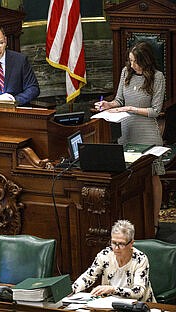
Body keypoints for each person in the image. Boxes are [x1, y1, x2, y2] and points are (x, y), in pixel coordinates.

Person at [94, 41, 165, 234]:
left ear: (145, 61)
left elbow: (156, 111)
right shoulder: (126, 73)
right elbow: (119, 100)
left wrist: (130, 109)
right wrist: (108, 105)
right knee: (128, 177)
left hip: (147, 132)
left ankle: (154, 220)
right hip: (126, 131)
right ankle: (133, 220)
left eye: (135, 62)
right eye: (130, 61)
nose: (131, 65)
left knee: (152, 176)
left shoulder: (158, 77)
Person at [72, 220, 155, 302]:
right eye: (114, 243)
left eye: (121, 244)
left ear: (131, 243)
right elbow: (88, 277)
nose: (116, 248)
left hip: (139, 306)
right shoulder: (105, 255)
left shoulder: (140, 259)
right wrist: (71, 290)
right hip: (111, 304)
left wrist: (113, 290)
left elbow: (138, 292)